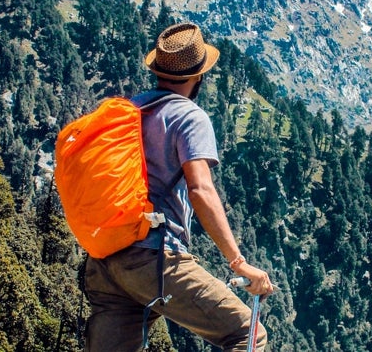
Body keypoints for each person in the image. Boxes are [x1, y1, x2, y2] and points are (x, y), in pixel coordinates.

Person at [82, 22, 273, 351]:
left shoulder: (131, 110)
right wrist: (238, 262)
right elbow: (200, 190)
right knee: (247, 334)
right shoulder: (188, 116)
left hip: (105, 260)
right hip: (154, 259)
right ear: (199, 75)